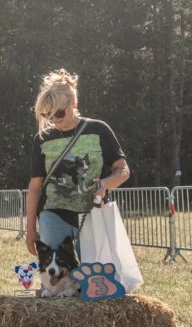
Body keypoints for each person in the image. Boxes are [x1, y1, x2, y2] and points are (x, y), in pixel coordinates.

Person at [25, 69, 130, 257]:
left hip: (92, 214)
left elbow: (122, 170)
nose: (54, 120)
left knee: (93, 276)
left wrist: (105, 184)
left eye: (59, 112)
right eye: (47, 115)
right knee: (55, 279)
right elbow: (35, 188)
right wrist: (31, 229)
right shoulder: (42, 139)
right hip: (52, 215)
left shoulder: (98, 129)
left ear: (73, 103)